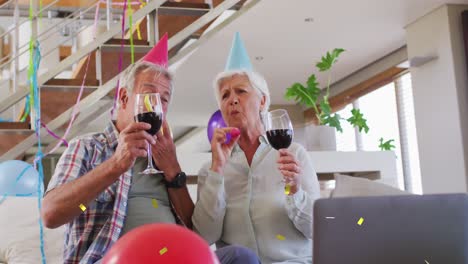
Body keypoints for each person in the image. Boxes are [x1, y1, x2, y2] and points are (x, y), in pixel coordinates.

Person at [41, 34, 259, 264]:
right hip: (114, 260)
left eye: (164, 99)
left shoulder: (163, 154)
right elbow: (51, 214)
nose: (157, 104)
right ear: (124, 97)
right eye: (149, 93)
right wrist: (115, 165)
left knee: (239, 257)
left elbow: (197, 236)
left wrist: (173, 171)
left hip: (171, 258)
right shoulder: (88, 147)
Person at [192, 32, 321, 264]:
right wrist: (217, 170)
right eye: (225, 95)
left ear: (262, 101)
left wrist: (294, 188)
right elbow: (204, 236)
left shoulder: (294, 154)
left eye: (241, 91)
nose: (232, 99)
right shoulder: (210, 169)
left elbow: (316, 229)